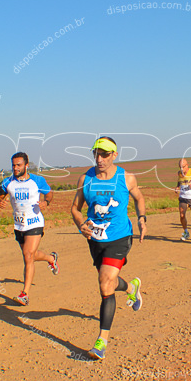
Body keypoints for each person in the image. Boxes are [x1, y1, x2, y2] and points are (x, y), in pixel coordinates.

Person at [70, 137, 146, 360]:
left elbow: (139, 198)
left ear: (115, 155)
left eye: (104, 154)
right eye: (96, 154)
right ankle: (131, 287)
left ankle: (101, 341)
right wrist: (81, 223)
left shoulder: (126, 177)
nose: (99, 158)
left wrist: (142, 219)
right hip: (95, 239)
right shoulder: (86, 179)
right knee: (110, 282)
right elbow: (75, 208)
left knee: (105, 284)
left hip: (120, 236)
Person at [0, 152, 58, 306]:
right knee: (32, 255)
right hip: (19, 225)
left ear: (26, 165)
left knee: (27, 255)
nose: (15, 168)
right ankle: (51, 258)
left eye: (19, 165)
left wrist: (46, 203)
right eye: (13, 165)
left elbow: (49, 194)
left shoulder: (37, 180)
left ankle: (25, 294)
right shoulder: (7, 182)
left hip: (35, 222)